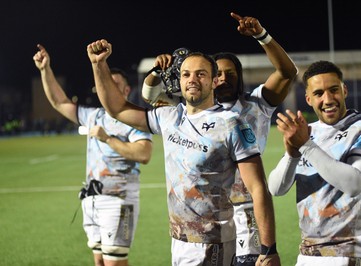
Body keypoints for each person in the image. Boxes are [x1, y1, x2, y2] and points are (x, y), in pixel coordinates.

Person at [87, 39, 280, 266]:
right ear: (179, 80)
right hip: (179, 240)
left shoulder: (232, 124)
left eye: (200, 74)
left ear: (214, 80)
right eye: (186, 74)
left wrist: (268, 250)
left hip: (214, 243)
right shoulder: (169, 117)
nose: (192, 80)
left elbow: (258, 188)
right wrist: (99, 65)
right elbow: (118, 108)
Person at [141, 12, 298, 265]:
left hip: (247, 211)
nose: (224, 79)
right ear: (212, 79)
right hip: (207, 218)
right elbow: (150, 95)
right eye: (220, 74)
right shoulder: (189, 112)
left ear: (240, 76)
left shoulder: (256, 104)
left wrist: (261, 35)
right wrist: (157, 70)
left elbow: (288, 72)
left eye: (231, 73)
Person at [33, 44, 153, 266]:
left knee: (114, 262)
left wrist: (108, 139)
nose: (106, 87)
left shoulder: (134, 119)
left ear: (126, 91)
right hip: (92, 199)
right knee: (98, 262)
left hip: (119, 200)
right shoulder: (92, 115)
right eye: (104, 83)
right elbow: (60, 102)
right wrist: (45, 70)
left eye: (114, 84)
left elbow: (144, 154)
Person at [268, 60, 361, 266]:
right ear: (308, 99)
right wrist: (292, 154)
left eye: (334, 90)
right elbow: (276, 188)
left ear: (345, 90)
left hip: (350, 252)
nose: (328, 99)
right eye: (319, 93)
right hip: (308, 253)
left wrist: (305, 145)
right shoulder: (307, 132)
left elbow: (354, 184)